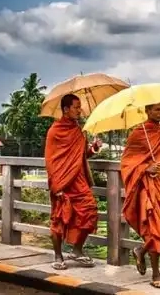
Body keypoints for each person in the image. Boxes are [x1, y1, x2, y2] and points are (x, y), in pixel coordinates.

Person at [120, 102, 160, 290]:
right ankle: (156, 275)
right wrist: (146, 168)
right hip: (148, 187)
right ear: (147, 111)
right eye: (157, 109)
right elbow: (127, 162)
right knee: (155, 229)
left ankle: (140, 250)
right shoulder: (139, 134)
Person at [44, 94, 102, 270]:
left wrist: (93, 148)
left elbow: (81, 155)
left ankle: (77, 250)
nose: (79, 110)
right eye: (76, 107)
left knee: (90, 212)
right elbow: (50, 160)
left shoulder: (79, 130)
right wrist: (56, 186)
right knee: (60, 219)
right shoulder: (55, 131)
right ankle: (58, 255)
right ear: (66, 109)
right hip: (61, 183)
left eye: (80, 107)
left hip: (79, 181)